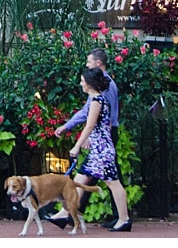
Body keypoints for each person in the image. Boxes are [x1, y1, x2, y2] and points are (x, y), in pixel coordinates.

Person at [47, 48, 121, 229]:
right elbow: (88, 113)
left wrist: (88, 139)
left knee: (104, 179)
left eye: (89, 62)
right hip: (101, 138)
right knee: (91, 177)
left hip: (103, 139)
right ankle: (69, 214)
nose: (86, 65)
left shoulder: (105, 87)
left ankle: (69, 214)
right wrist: (68, 126)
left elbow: (102, 117)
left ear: (98, 63)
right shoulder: (98, 90)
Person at [67, 67, 131, 231]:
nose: (80, 83)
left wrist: (77, 146)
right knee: (79, 180)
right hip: (99, 149)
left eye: (82, 81)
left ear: (89, 84)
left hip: (101, 150)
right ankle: (65, 213)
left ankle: (124, 219)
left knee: (113, 183)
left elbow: (89, 126)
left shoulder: (97, 101)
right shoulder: (98, 99)